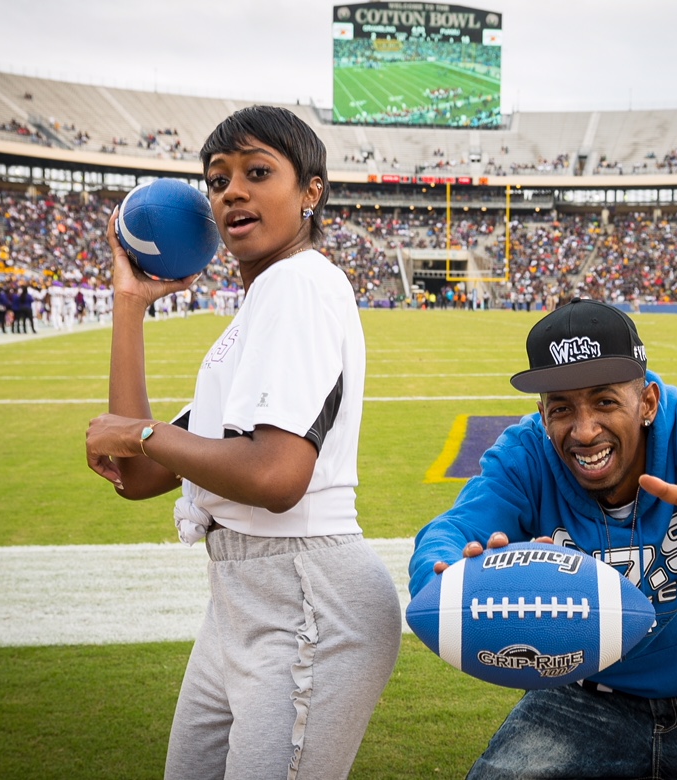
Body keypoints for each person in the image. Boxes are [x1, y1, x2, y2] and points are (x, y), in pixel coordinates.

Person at [85, 105, 401, 779]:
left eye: (258, 172)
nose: (231, 191)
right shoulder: (257, 312)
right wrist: (129, 305)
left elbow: (275, 477)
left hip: (305, 596)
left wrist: (141, 433)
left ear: (311, 190)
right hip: (245, 599)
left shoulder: (299, 283)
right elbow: (138, 475)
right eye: (216, 179)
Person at [409, 298, 677, 780]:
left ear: (649, 401)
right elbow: (451, 531)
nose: (585, 430)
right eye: (561, 409)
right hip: (583, 693)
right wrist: (445, 576)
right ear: (542, 414)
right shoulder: (525, 455)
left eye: (605, 401)